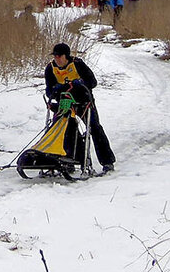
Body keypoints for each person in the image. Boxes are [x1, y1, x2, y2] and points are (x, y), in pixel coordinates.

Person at [44, 43, 116, 174]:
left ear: (66, 56)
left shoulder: (77, 64)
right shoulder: (50, 68)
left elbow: (93, 82)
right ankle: (67, 160)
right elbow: (49, 91)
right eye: (55, 56)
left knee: (94, 128)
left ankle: (107, 161)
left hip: (83, 101)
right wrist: (55, 90)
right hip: (65, 102)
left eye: (59, 56)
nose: (56, 59)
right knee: (61, 128)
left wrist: (80, 83)